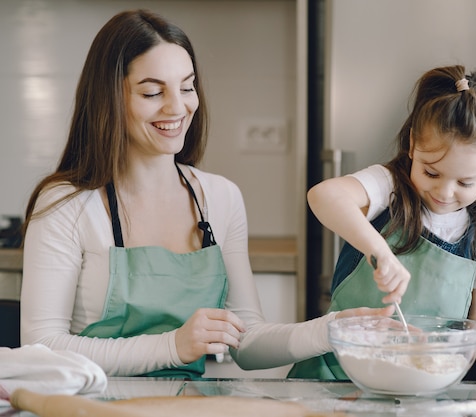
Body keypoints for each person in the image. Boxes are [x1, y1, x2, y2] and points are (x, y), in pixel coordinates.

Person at [19, 9, 392, 379]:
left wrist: (333, 330)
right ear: (109, 98)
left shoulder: (219, 198)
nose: (178, 107)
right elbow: (42, 346)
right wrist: (173, 346)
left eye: (186, 87)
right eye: (152, 92)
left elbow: (246, 343)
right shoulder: (65, 204)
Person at [288, 65, 476, 389]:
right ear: (412, 146)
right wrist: (380, 251)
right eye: (432, 173)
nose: (444, 192)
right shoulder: (389, 187)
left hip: (419, 386)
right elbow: (323, 196)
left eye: (465, 181)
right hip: (338, 377)